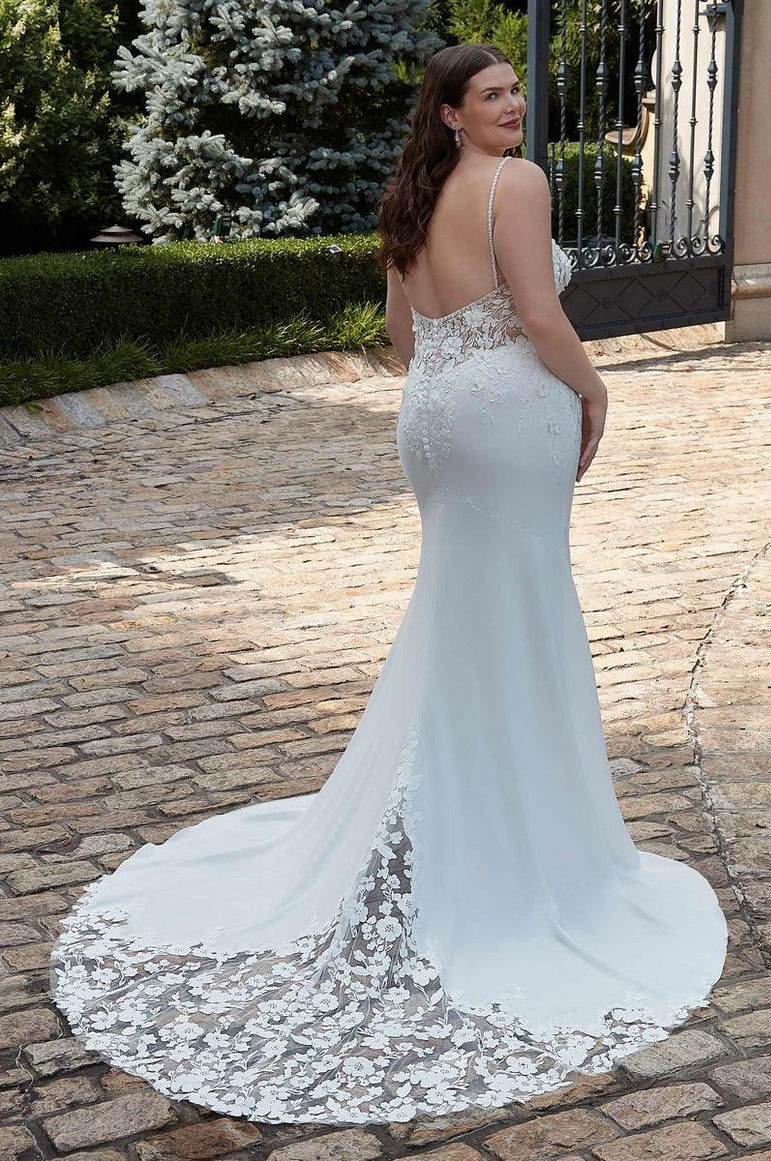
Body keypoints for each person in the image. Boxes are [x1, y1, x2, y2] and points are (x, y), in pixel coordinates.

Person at [49, 42, 728, 1128]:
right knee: (519, 612)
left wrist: (464, 383)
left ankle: (447, 806)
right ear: (452, 113)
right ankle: (502, 836)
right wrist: (595, 393)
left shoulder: (411, 195)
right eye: (491, 95)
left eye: (514, 91)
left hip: (435, 422)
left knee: (464, 615)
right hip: (508, 414)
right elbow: (541, 315)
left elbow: (403, 339)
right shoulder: (517, 183)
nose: (513, 105)